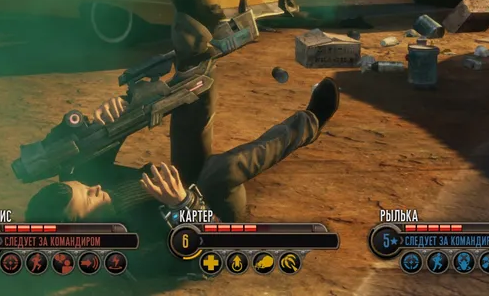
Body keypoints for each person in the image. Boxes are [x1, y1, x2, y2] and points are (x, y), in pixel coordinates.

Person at [25, 78, 340, 231]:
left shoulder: (85, 185)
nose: (95, 186)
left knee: (191, 101)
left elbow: (69, 146)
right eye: (90, 197)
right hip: (210, 210)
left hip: (181, 179)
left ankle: (198, 58)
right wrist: (182, 204)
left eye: (85, 186)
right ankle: (311, 122)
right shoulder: (133, 242)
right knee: (224, 168)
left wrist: (107, 117)